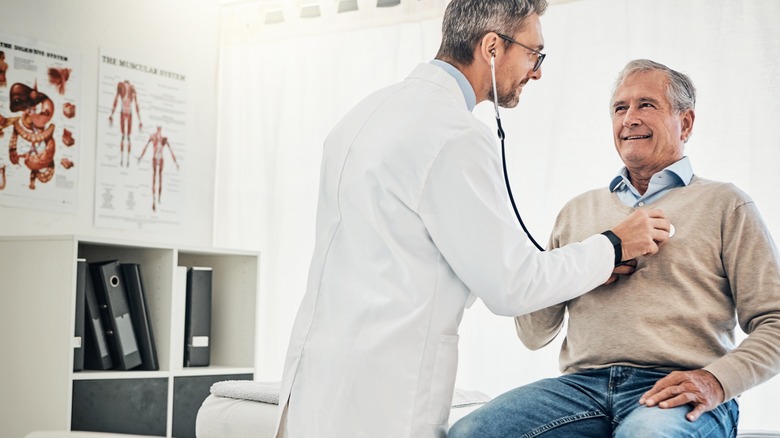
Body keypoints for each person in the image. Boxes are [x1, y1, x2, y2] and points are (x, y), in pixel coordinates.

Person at [275, 3, 673, 437]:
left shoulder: (364, 114)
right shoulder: (453, 135)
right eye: (534, 54)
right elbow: (512, 284)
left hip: (316, 379)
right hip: (384, 393)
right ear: (491, 47)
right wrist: (614, 244)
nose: (536, 72)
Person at [448, 59, 780, 437]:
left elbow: (775, 321)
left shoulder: (726, 204)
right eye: (620, 108)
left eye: (646, 105)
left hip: (674, 387)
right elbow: (533, 333)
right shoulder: (578, 212)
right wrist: (588, 264)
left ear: (685, 123)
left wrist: (718, 381)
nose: (630, 118)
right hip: (580, 389)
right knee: (470, 432)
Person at [138, 126, 179, 212]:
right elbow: (146, 146)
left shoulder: (164, 139)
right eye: (158, 128)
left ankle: (159, 198)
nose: (159, 130)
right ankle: (154, 201)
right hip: (155, 158)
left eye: (160, 129)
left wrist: (176, 162)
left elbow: (171, 150)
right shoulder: (153, 137)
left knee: (160, 179)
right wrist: (141, 157)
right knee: (154, 180)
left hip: (160, 159)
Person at [108, 79, 142, 167]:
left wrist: (140, 120)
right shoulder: (121, 86)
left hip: (128, 113)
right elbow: (116, 100)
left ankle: (126, 161)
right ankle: (123, 160)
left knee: (127, 137)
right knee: (124, 137)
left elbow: (136, 104)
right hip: (124, 112)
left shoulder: (132, 88)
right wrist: (111, 114)